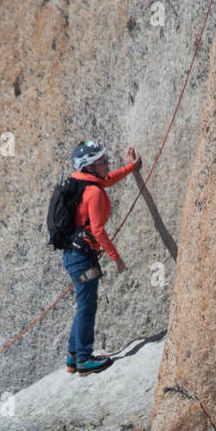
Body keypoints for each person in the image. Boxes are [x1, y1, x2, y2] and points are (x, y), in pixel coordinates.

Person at [63, 140, 142, 374]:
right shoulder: (93, 193)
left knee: (83, 305)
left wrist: (131, 167)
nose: (107, 165)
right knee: (87, 306)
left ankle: (73, 356)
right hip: (82, 258)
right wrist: (115, 258)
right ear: (89, 167)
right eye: (103, 162)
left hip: (74, 254)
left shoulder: (84, 184)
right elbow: (97, 230)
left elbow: (108, 180)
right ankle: (84, 361)